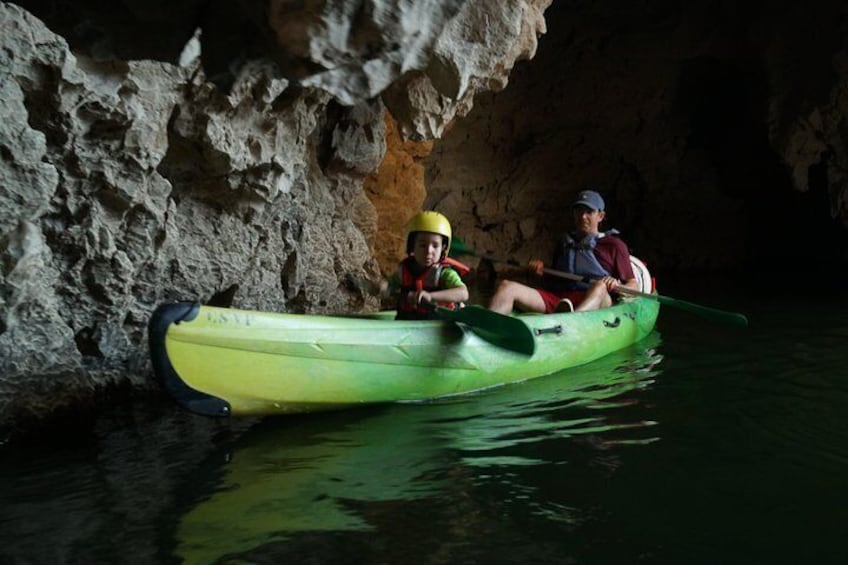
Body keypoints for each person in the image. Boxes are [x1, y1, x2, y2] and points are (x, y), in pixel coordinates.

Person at [487, 189, 639, 315]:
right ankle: (482, 329)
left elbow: (633, 286)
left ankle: (572, 321)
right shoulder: (564, 243)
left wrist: (616, 284)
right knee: (506, 286)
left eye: (589, 212)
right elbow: (552, 282)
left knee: (599, 286)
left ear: (600, 216)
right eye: (579, 211)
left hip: (597, 301)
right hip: (561, 300)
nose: (583, 217)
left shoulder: (614, 245)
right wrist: (539, 272)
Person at [388, 211, 470, 320]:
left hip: (441, 320)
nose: (428, 251)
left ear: (443, 249)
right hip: (409, 317)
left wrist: (431, 296)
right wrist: (382, 287)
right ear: (412, 245)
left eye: (435, 246)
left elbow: (463, 293)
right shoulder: (402, 271)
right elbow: (389, 287)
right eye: (422, 245)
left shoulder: (444, 273)